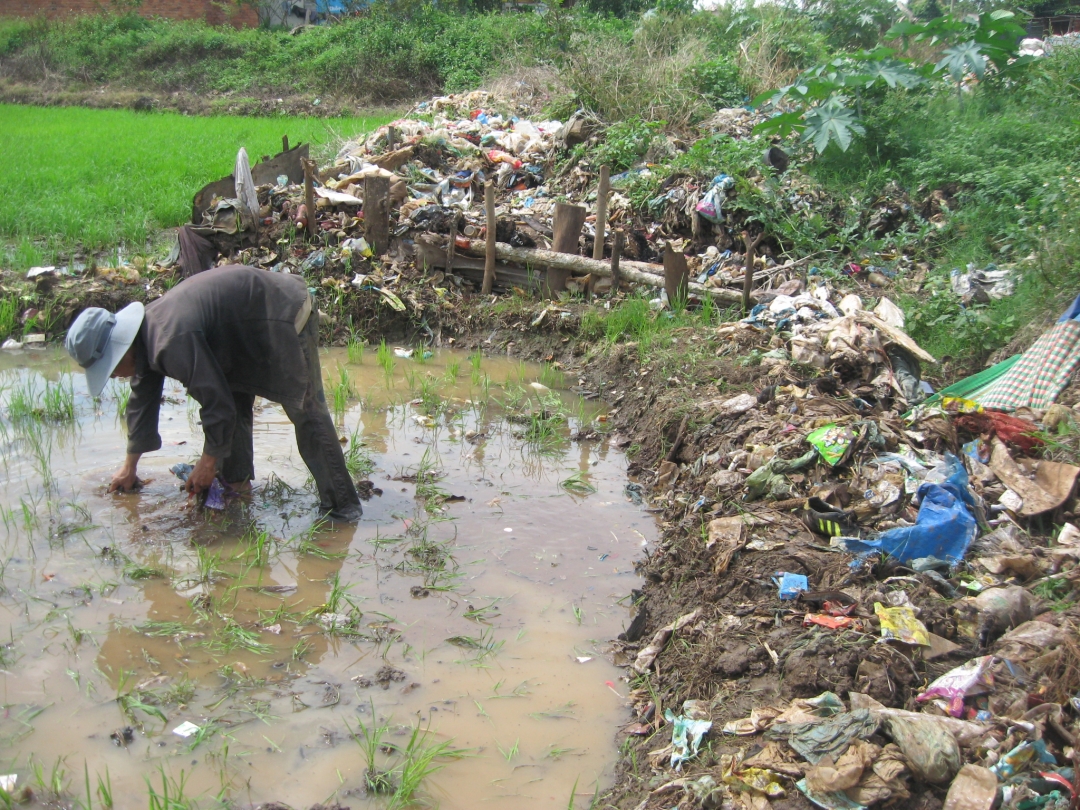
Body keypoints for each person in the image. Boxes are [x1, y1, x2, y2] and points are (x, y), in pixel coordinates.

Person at [64, 265, 362, 523]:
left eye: (111, 368)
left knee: (305, 411)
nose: (115, 375)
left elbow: (215, 406)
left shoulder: (170, 341)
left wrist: (206, 464)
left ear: (121, 348)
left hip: (281, 312)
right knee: (233, 396)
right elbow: (142, 403)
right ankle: (236, 485)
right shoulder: (145, 341)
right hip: (238, 330)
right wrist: (129, 467)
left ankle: (342, 509)